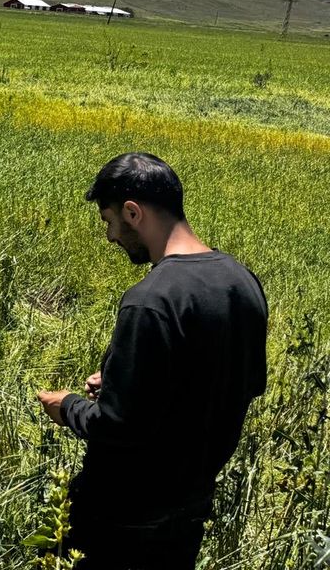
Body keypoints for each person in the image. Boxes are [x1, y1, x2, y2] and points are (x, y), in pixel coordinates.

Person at [37, 153, 268, 569]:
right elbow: (233, 385)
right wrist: (123, 382)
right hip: (191, 504)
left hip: (124, 509)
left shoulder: (150, 301)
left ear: (132, 211)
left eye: (109, 221)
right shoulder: (242, 281)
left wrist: (67, 406)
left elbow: (118, 427)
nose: (110, 237)